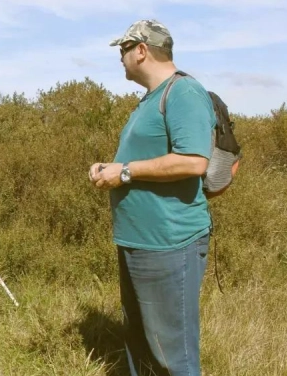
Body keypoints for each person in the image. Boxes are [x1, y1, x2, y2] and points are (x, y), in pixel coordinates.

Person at [89, 20, 216, 376]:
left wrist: (125, 171)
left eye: (123, 51)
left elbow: (194, 161)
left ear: (141, 50)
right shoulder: (150, 99)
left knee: (173, 355)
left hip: (169, 243)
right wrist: (110, 167)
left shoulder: (184, 93)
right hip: (139, 240)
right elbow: (146, 156)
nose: (121, 59)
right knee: (141, 345)